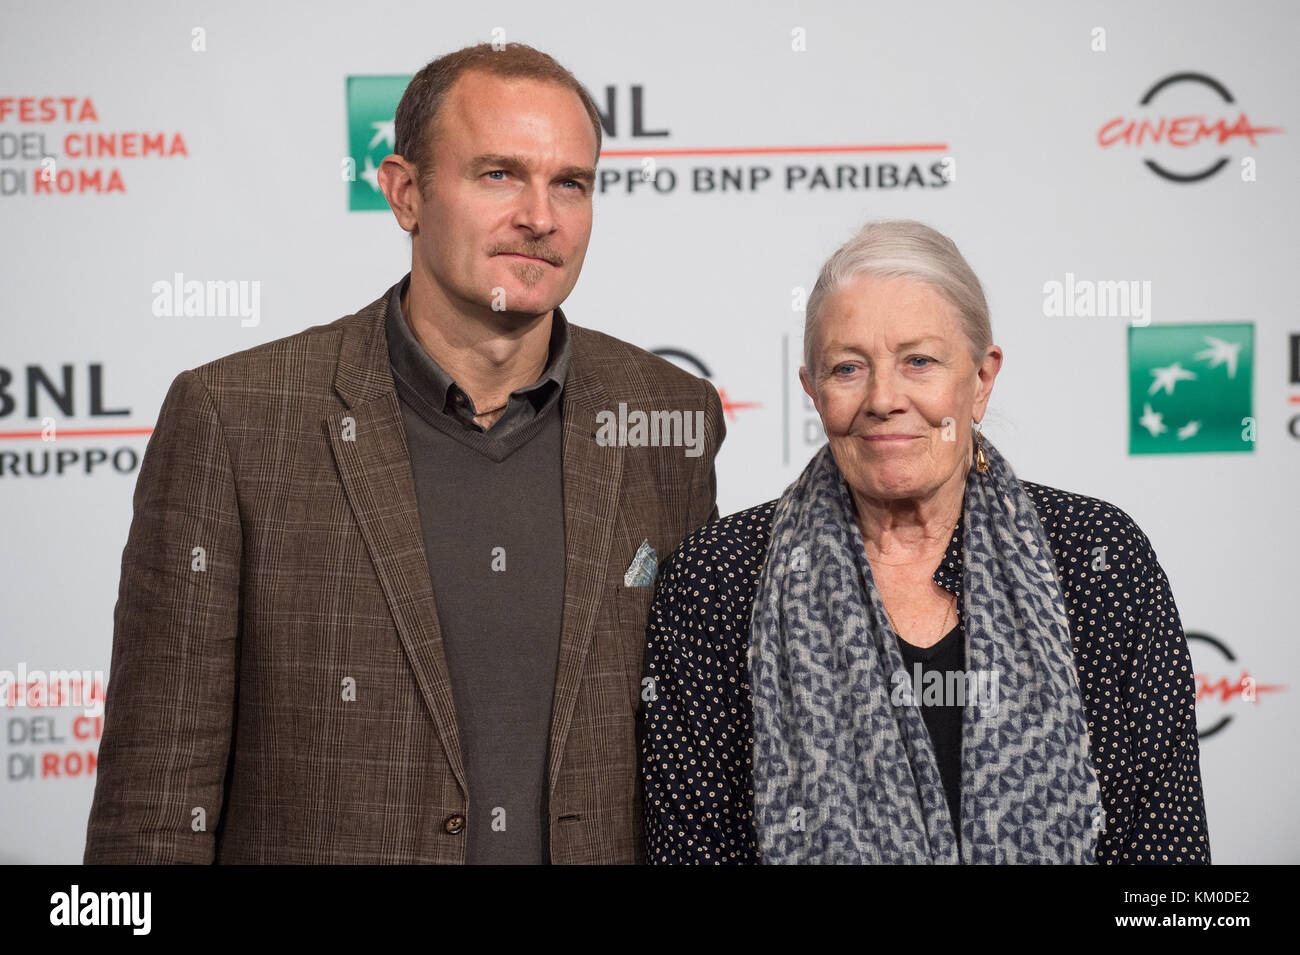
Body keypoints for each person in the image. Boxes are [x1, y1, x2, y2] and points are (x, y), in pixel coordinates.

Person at [84, 42, 725, 864]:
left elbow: (689, 767)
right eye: (498, 174)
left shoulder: (667, 415)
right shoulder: (236, 417)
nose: (541, 215)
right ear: (405, 192)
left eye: (570, 181)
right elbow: (156, 801)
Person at [641, 219, 1209, 864]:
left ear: (982, 378)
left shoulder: (1097, 558)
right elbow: (695, 849)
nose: (884, 399)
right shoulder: (717, 577)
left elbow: (1166, 853)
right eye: (848, 368)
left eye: (920, 361)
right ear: (812, 390)